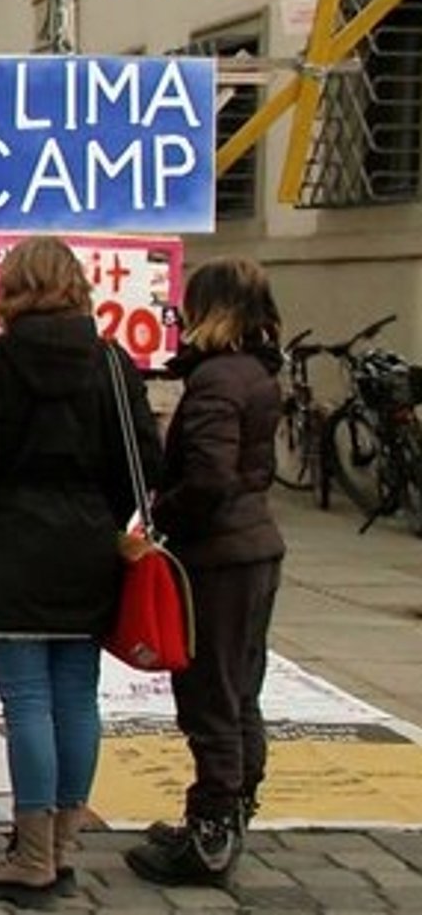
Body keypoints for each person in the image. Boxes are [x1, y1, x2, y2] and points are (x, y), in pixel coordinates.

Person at [0, 237, 162, 905]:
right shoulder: (110, 359)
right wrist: (104, 514)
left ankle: (31, 854)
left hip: (11, 547)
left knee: (29, 703)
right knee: (76, 698)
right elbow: (144, 460)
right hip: (89, 546)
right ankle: (61, 846)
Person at [125, 258, 285, 889]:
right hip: (252, 548)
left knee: (211, 695)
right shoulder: (256, 372)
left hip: (219, 556)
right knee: (240, 689)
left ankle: (212, 829)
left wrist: (163, 515)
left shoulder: (217, 379)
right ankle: (231, 811)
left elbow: (210, 476)